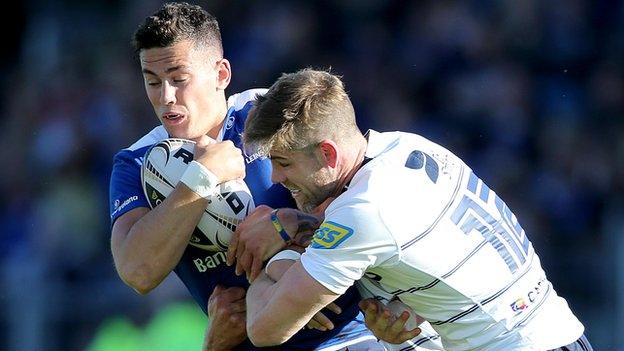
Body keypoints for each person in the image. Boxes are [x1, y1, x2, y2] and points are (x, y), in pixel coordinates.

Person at [240, 68, 594, 350]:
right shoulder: (407, 146)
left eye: (284, 162)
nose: (276, 177)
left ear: (329, 154)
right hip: (557, 332)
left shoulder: (363, 211)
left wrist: (272, 264)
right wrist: (405, 312)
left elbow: (266, 329)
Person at [109, 3, 383, 350]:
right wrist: (201, 178)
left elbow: (366, 188)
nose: (165, 97)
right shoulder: (135, 163)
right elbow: (138, 271)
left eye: (179, 80)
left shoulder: (266, 112)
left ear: (222, 74)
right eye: (152, 82)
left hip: (350, 334)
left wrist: (287, 224)